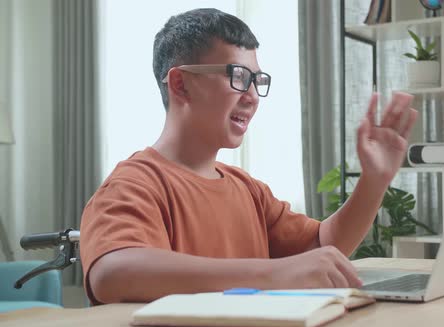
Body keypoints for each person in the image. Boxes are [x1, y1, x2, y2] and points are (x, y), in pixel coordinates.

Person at [80, 8, 418, 305]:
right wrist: (271, 274)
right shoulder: (134, 184)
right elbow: (112, 273)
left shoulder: (247, 189)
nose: (253, 96)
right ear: (181, 84)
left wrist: (374, 182)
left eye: (257, 80)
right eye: (239, 77)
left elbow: (322, 245)